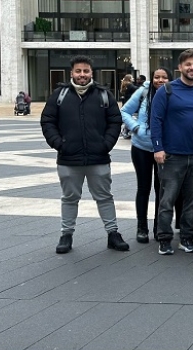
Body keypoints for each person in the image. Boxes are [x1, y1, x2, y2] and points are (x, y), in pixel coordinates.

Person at [40, 55, 129, 254]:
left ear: (91, 73)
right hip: (68, 158)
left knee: (105, 196)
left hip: (98, 157)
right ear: (71, 73)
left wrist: (105, 144)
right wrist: (58, 144)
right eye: (78, 71)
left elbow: (115, 121)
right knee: (70, 197)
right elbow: (47, 120)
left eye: (86, 71)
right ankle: (66, 234)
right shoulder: (59, 95)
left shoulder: (104, 95)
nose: (82, 75)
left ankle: (113, 233)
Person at [150, 49, 193, 255]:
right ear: (180, 67)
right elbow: (156, 120)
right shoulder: (167, 90)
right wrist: (158, 147)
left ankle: (187, 238)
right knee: (167, 200)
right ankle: (164, 239)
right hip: (171, 156)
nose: (192, 68)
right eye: (188, 64)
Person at [121, 67, 173, 243]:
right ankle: (141, 227)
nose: (160, 80)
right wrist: (136, 127)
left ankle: (160, 227)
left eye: (164, 77)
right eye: (157, 77)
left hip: (165, 148)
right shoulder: (143, 91)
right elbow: (125, 111)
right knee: (143, 188)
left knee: (162, 189)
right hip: (142, 146)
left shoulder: (173, 93)